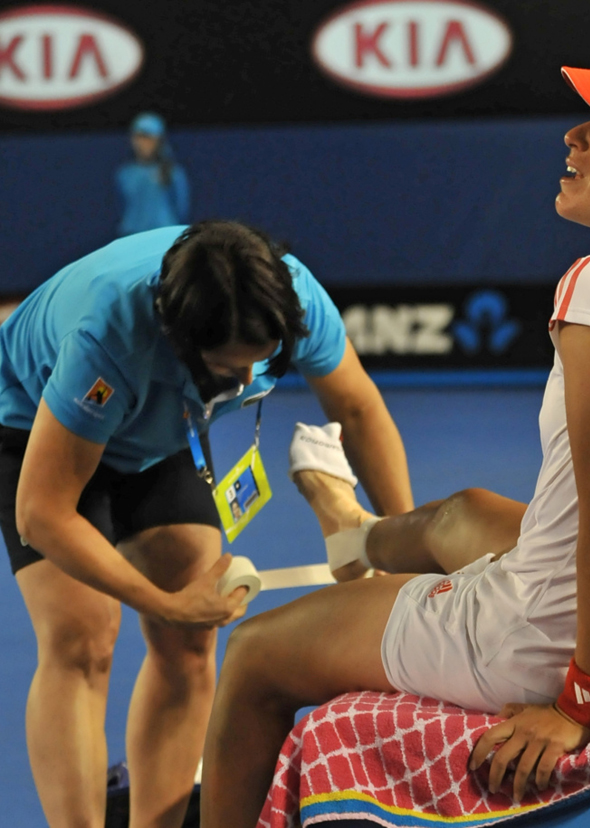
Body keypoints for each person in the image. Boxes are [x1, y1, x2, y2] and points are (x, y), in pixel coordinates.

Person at [199, 54, 590, 825]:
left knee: (254, 655)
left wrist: (580, 705)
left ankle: (358, 546)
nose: (573, 136)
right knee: (465, 513)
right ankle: (354, 538)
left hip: (540, 638)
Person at [0, 220, 414, 828]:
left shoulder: (289, 293)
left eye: (259, 363)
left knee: (193, 645)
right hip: (33, 425)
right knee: (82, 637)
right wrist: (160, 601)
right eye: (228, 368)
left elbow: (357, 404)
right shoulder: (110, 333)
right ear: (180, 340)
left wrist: (402, 543)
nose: (246, 383)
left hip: (160, 427)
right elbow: (43, 513)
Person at [116, 112, 191, 237]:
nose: (143, 143)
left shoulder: (174, 173)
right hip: (131, 237)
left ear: (159, 141)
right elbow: (119, 207)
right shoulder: (124, 174)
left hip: (164, 236)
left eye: (149, 138)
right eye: (139, 137)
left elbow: (181, 207)